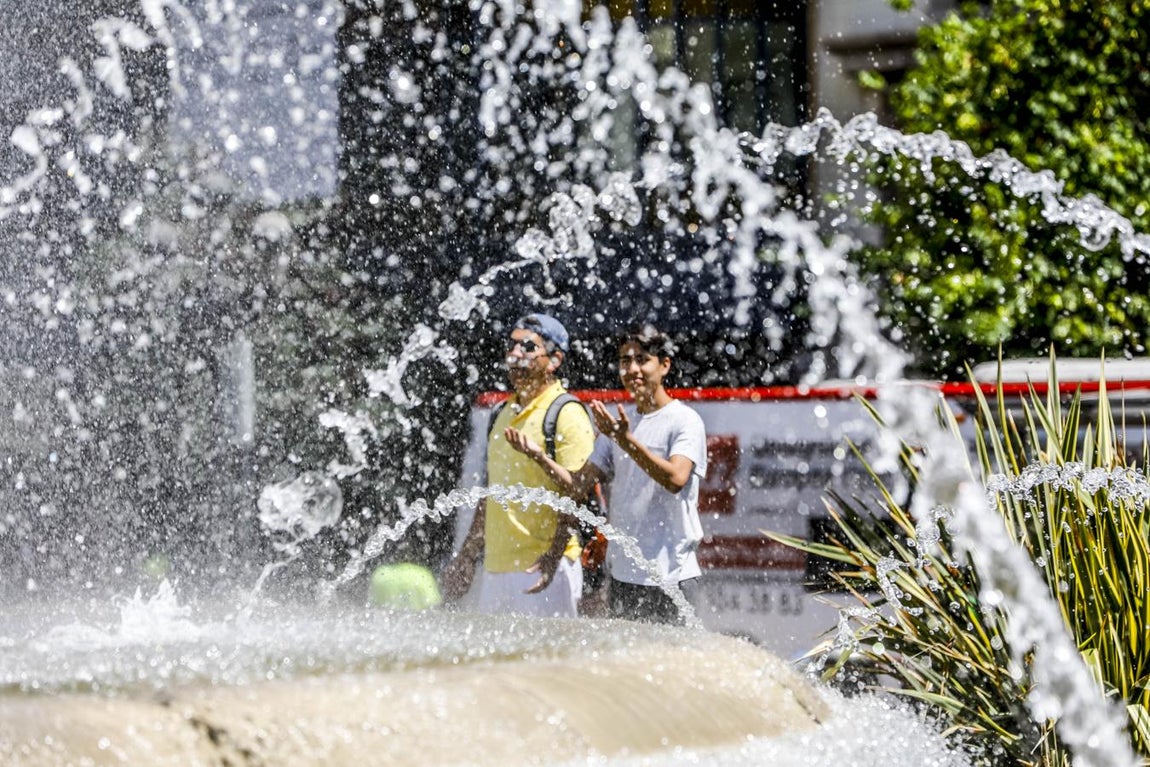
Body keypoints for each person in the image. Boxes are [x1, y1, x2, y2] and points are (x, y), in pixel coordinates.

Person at [505, 324, 707, 625]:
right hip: (624, 577)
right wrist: (538, 455)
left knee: (672, 668)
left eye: (642, 359)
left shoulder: (684, 421)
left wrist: (626, 440)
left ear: (665, 365)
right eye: (625, 361)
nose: (632, 369)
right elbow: (576, 485)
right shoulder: (618, 425)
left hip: (672, 577)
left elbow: (676, 479)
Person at [441, 313, 595, 617]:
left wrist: (553, 554)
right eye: (511, 347)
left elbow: (578, 493)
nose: (515, 355)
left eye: (526, 347)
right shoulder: (501, 413)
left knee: (549, 663)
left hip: (546, 568)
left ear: (554, 360)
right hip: (496, 568)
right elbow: (490, 492)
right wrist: (467, 556)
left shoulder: (566, 413)